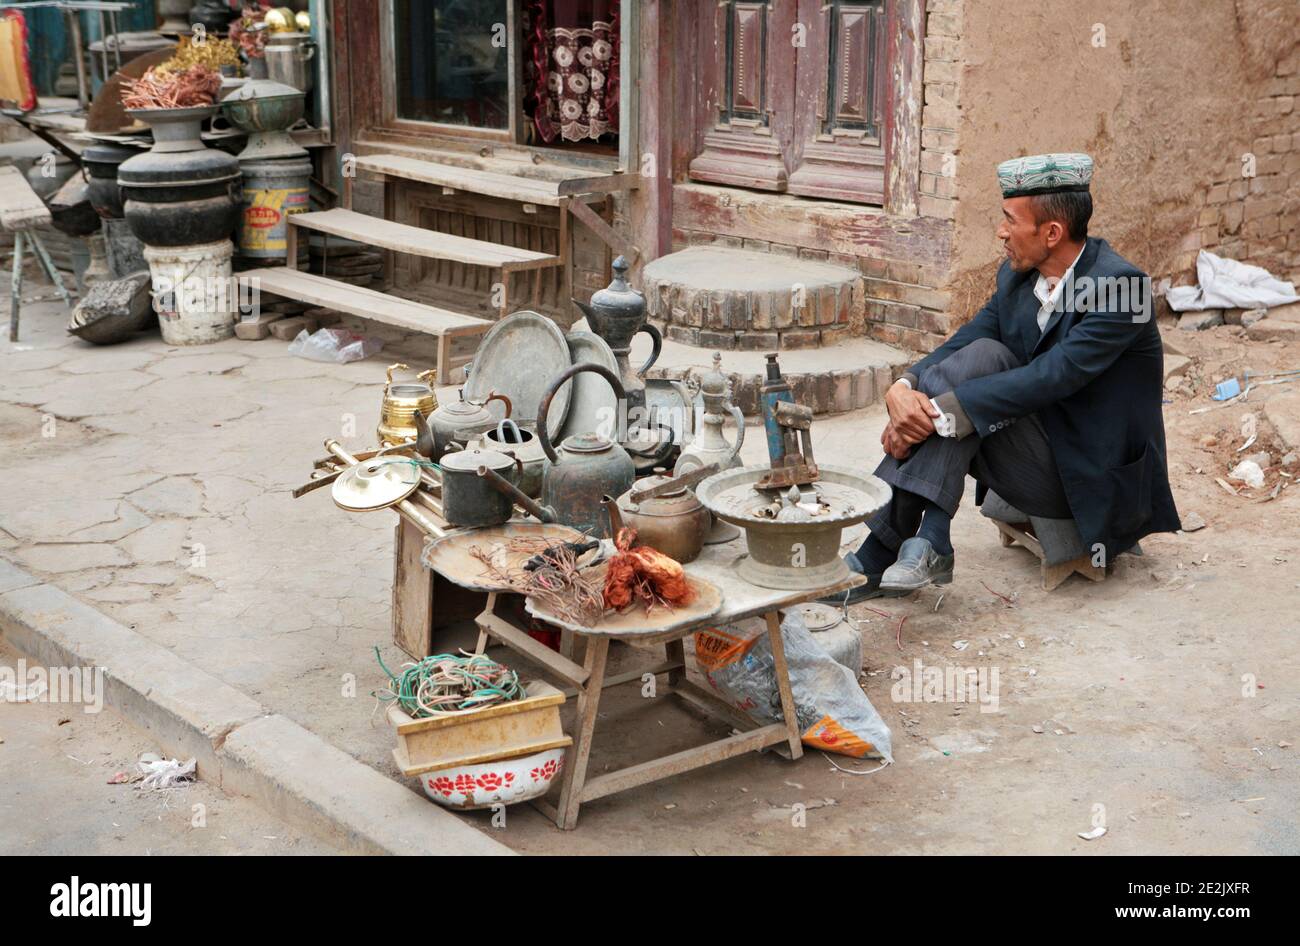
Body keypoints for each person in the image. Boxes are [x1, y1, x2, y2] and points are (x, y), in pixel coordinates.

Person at [833, 152, 1180, 603]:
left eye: (1009, 221)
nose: (1000, 232)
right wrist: (905, 388)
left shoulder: (1121, 290)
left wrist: (930, 416)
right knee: (979, 357)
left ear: (1051, 233)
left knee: (967, 393)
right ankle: (929, 538)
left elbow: (1052, 377)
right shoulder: (1019, 277)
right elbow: (968, 341)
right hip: (1037, 453)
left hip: (1090, 482)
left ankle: (884, 548)